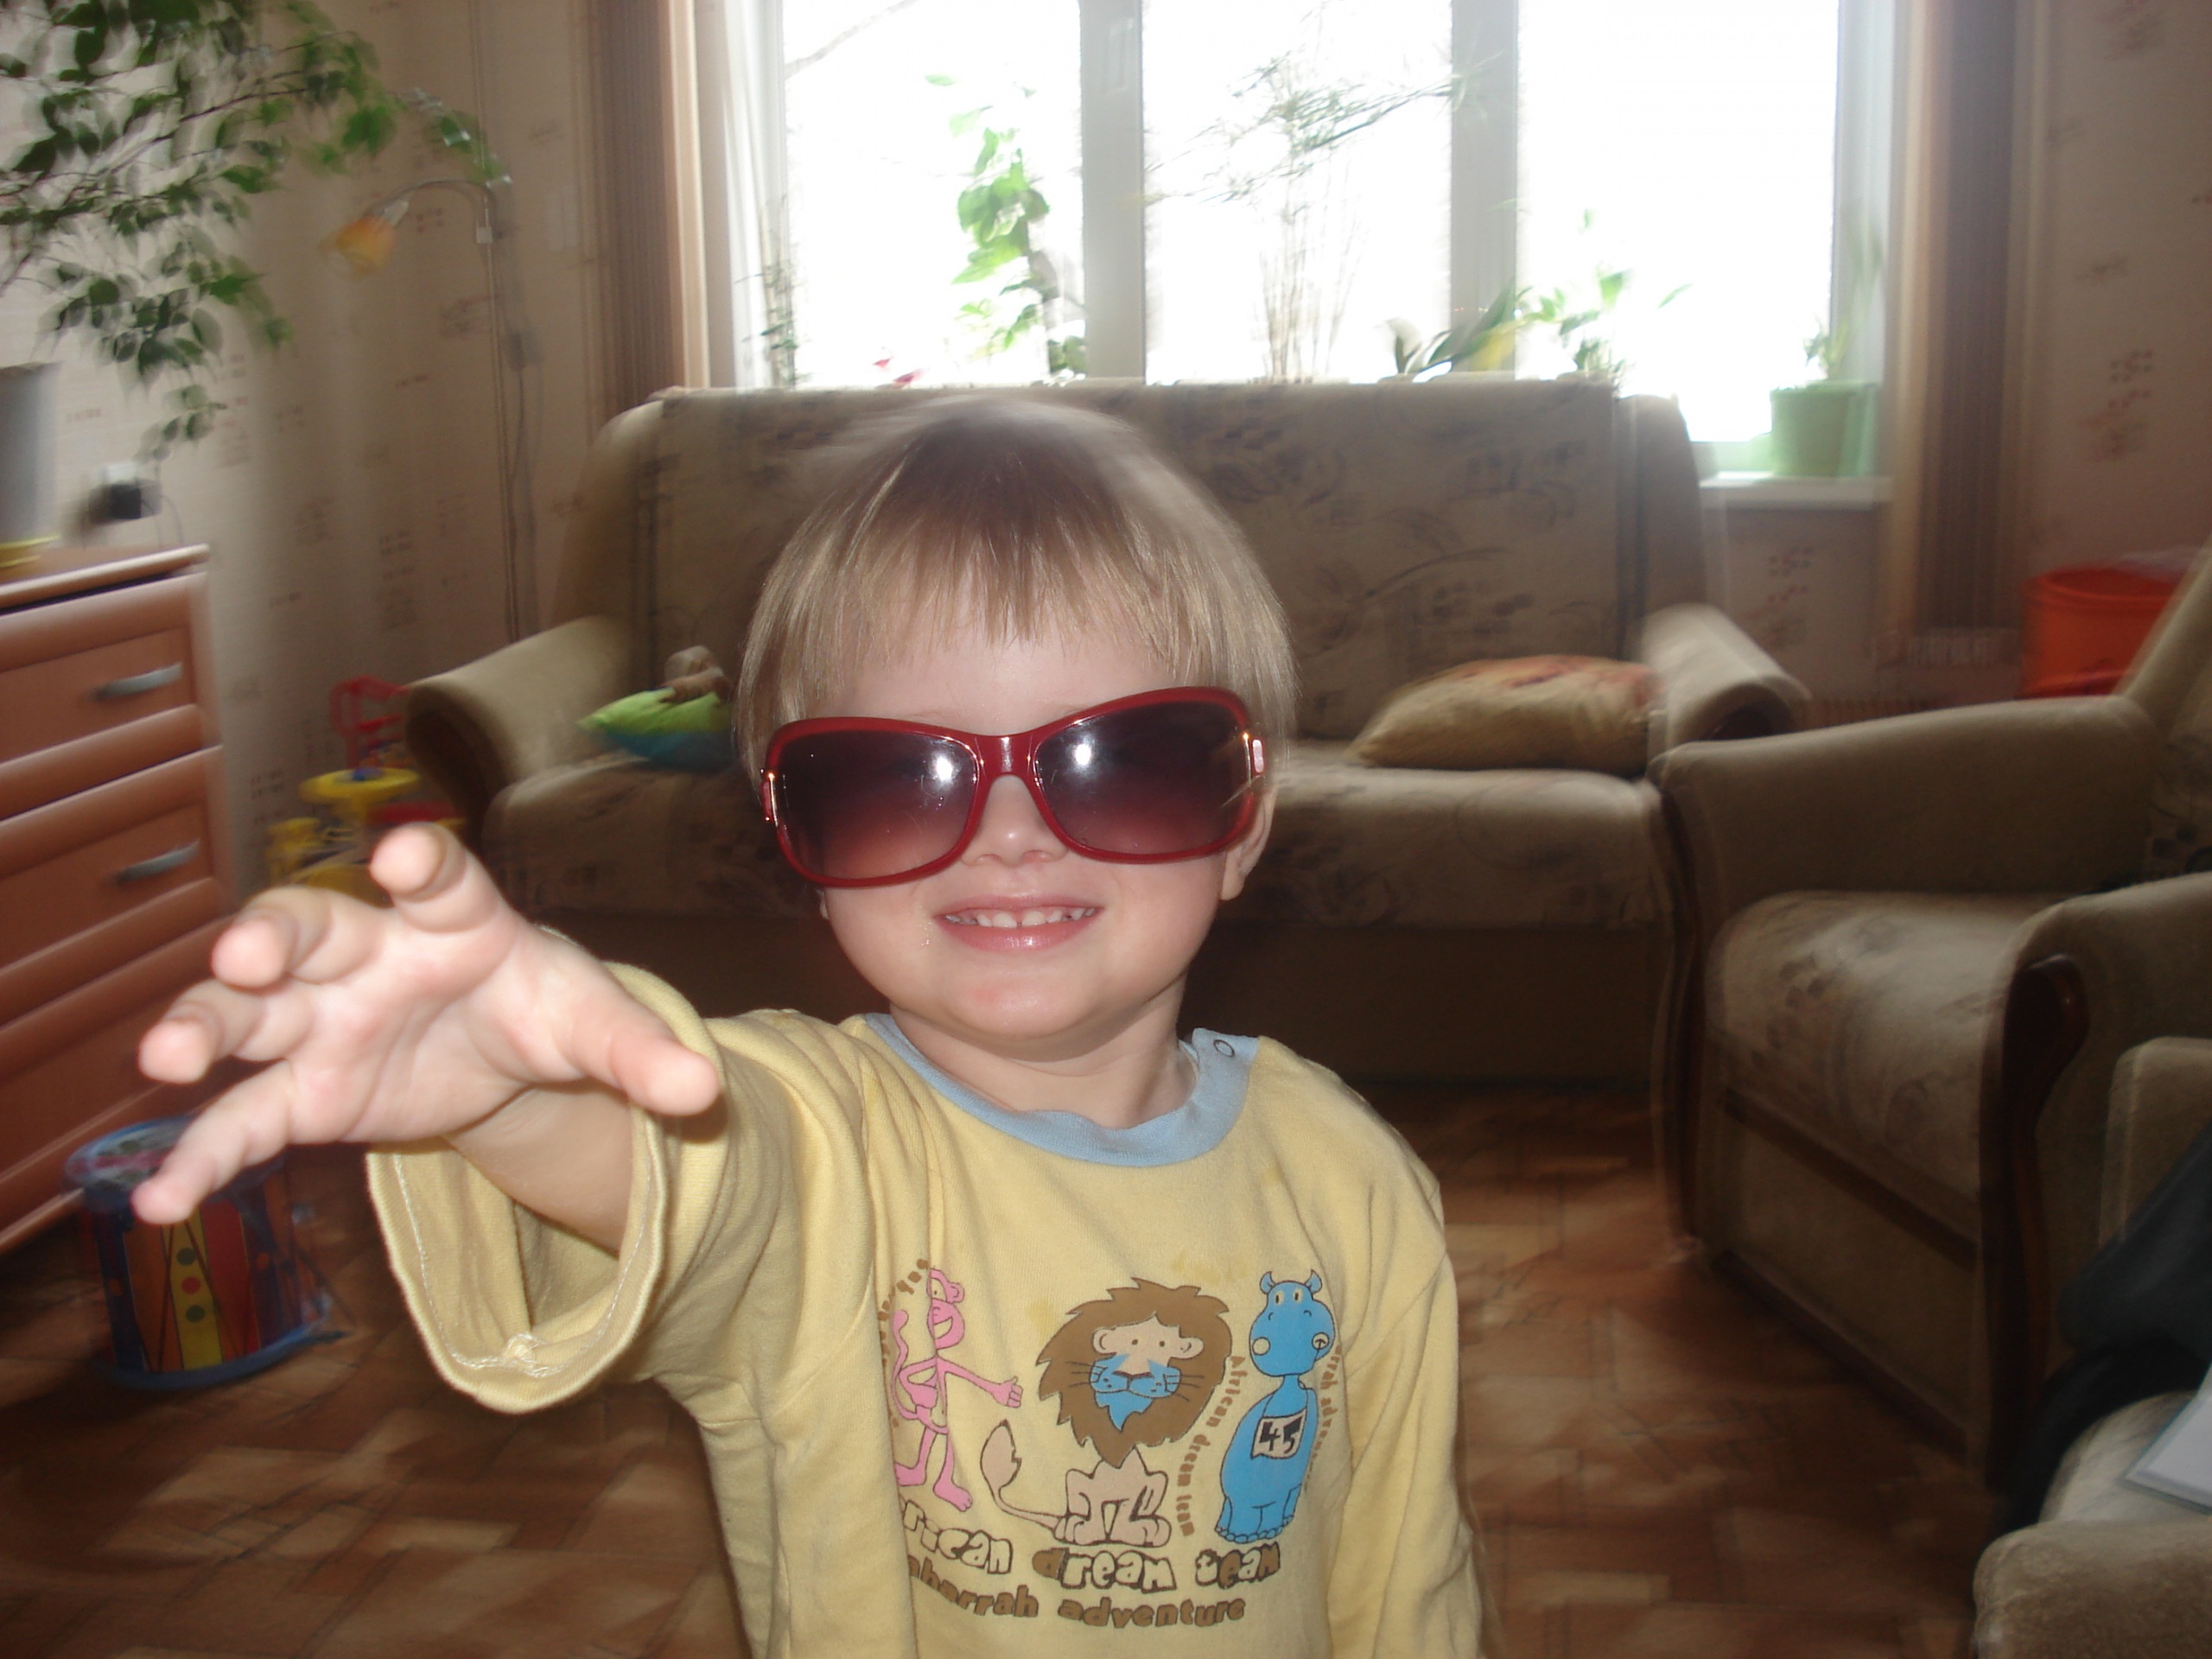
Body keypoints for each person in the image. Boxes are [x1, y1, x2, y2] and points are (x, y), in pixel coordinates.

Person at [132, 399, 1484, 1656]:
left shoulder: (1352, 1182)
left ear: (1241, 822)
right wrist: (505, 1096)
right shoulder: (822, 1145)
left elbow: (1405, 1579)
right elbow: (699, 1172)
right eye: (897, 779)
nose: (1010, 834)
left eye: (1117, 760)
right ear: (801, 841)